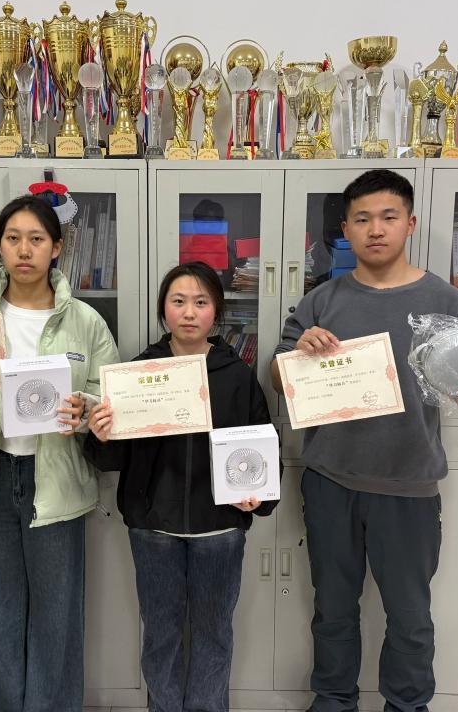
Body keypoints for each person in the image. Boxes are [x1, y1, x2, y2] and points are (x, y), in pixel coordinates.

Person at [270, 169, 458, 712]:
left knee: (410, 618)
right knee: (332, 612)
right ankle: (333, 702)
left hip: (408, 486)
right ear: (346, 229)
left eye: (388, 217)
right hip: (330, 482)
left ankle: (407, 704)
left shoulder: (446, 301)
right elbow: (277, 379)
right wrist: (298, 355)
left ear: (410, 224)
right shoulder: (322, 301)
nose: (376, 229)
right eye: (363, 219)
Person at [0, 193, 119, 712]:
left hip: (56, 482)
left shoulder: (85, 322)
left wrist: (87, 411)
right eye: (13, 239)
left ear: (57, 247)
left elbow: (107, 401)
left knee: (57, 618)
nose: (24, 250)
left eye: (36, 239)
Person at [86, 261, 276, 712]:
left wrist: (259, 496)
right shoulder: (138, 374)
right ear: (163, 310)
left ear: (216, 311)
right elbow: (112, 460)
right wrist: (101, 435)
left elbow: (262, 445)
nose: (189, 312)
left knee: (214, 632)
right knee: (161, 633)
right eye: (178, 301)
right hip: (154, 528)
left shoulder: (237, 375)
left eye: (201, 302)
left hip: (220, 528)